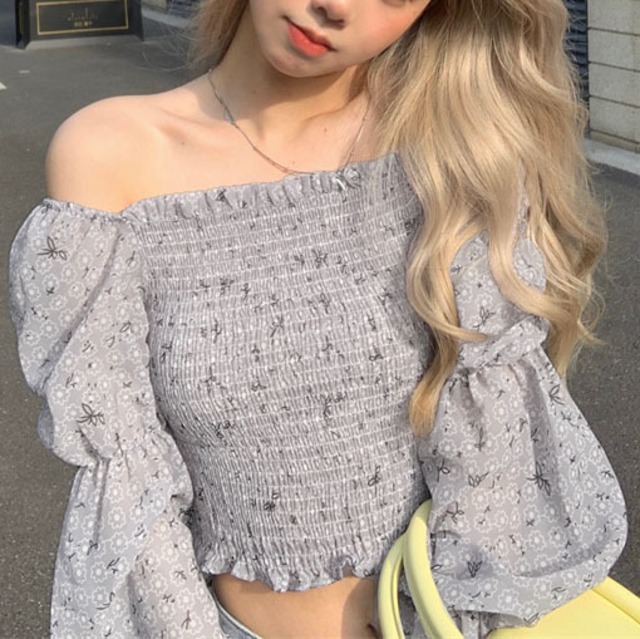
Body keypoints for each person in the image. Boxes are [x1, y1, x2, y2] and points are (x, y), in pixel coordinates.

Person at [8, 0, 628, 637]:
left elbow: (500, 459)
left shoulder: (452, 150)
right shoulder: (111, 157)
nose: (335, 6)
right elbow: (127, 485)